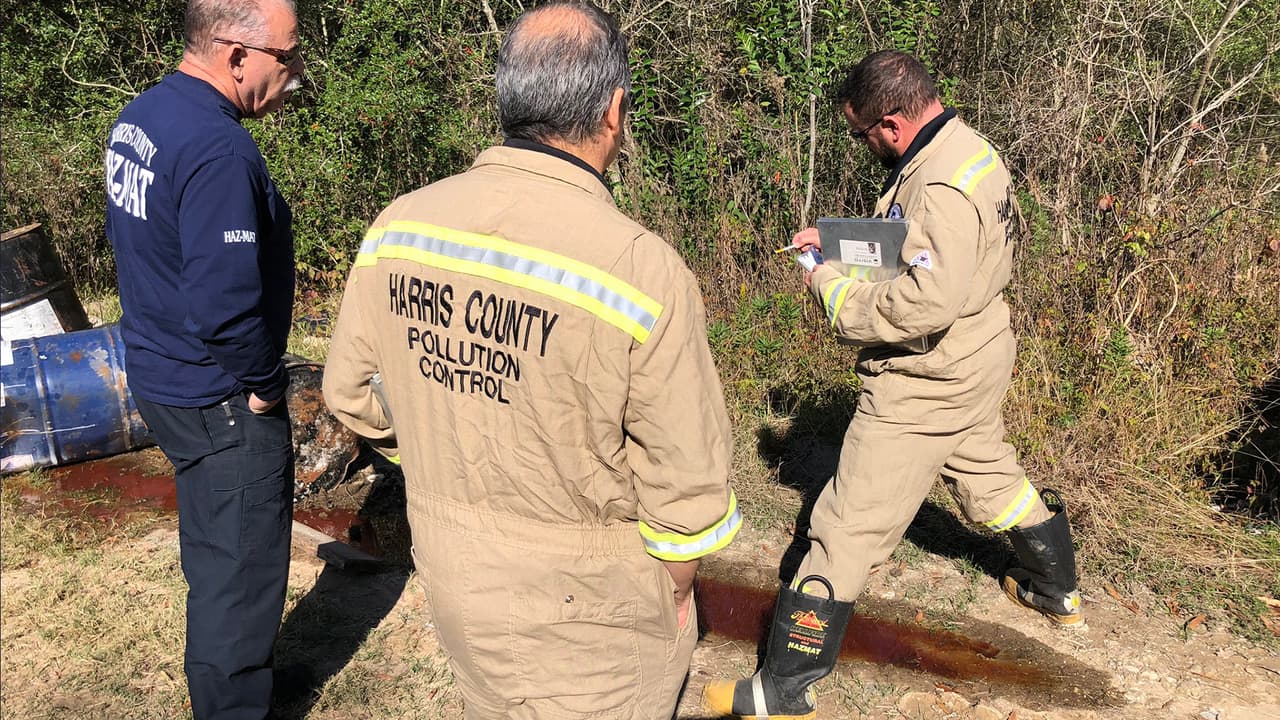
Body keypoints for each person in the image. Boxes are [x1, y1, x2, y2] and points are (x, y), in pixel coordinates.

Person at [321, 2, 741, 718]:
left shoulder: (401, 225)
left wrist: (428, 447)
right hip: (593, 610)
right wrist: (674, 586)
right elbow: (687, 480)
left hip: (456, 575)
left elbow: (350, 390)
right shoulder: (640, 269)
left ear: (510, 97)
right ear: (615, 110)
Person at [703, 50, 1083, 719]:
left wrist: (829, 286)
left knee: (847, 527)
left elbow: (923, 302)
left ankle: (780, 689)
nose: (863, 145)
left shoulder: (939, 185)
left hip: (924, 377)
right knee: (988, 475)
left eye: (863, 134)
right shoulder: (967, 150)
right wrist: (838, 239)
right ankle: (1057, 591)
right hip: (977, 355)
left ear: (892, 123)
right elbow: (917, 243)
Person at [104, 0, 305, 717]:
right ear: (236, 54)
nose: (296, 74)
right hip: (218, 398)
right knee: (239, 578)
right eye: (288, 57)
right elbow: (225, 304)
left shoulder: (142, 117)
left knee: (217, 546)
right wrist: (263, 387)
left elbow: (142, 250)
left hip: (161, 372)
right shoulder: (218, 150)